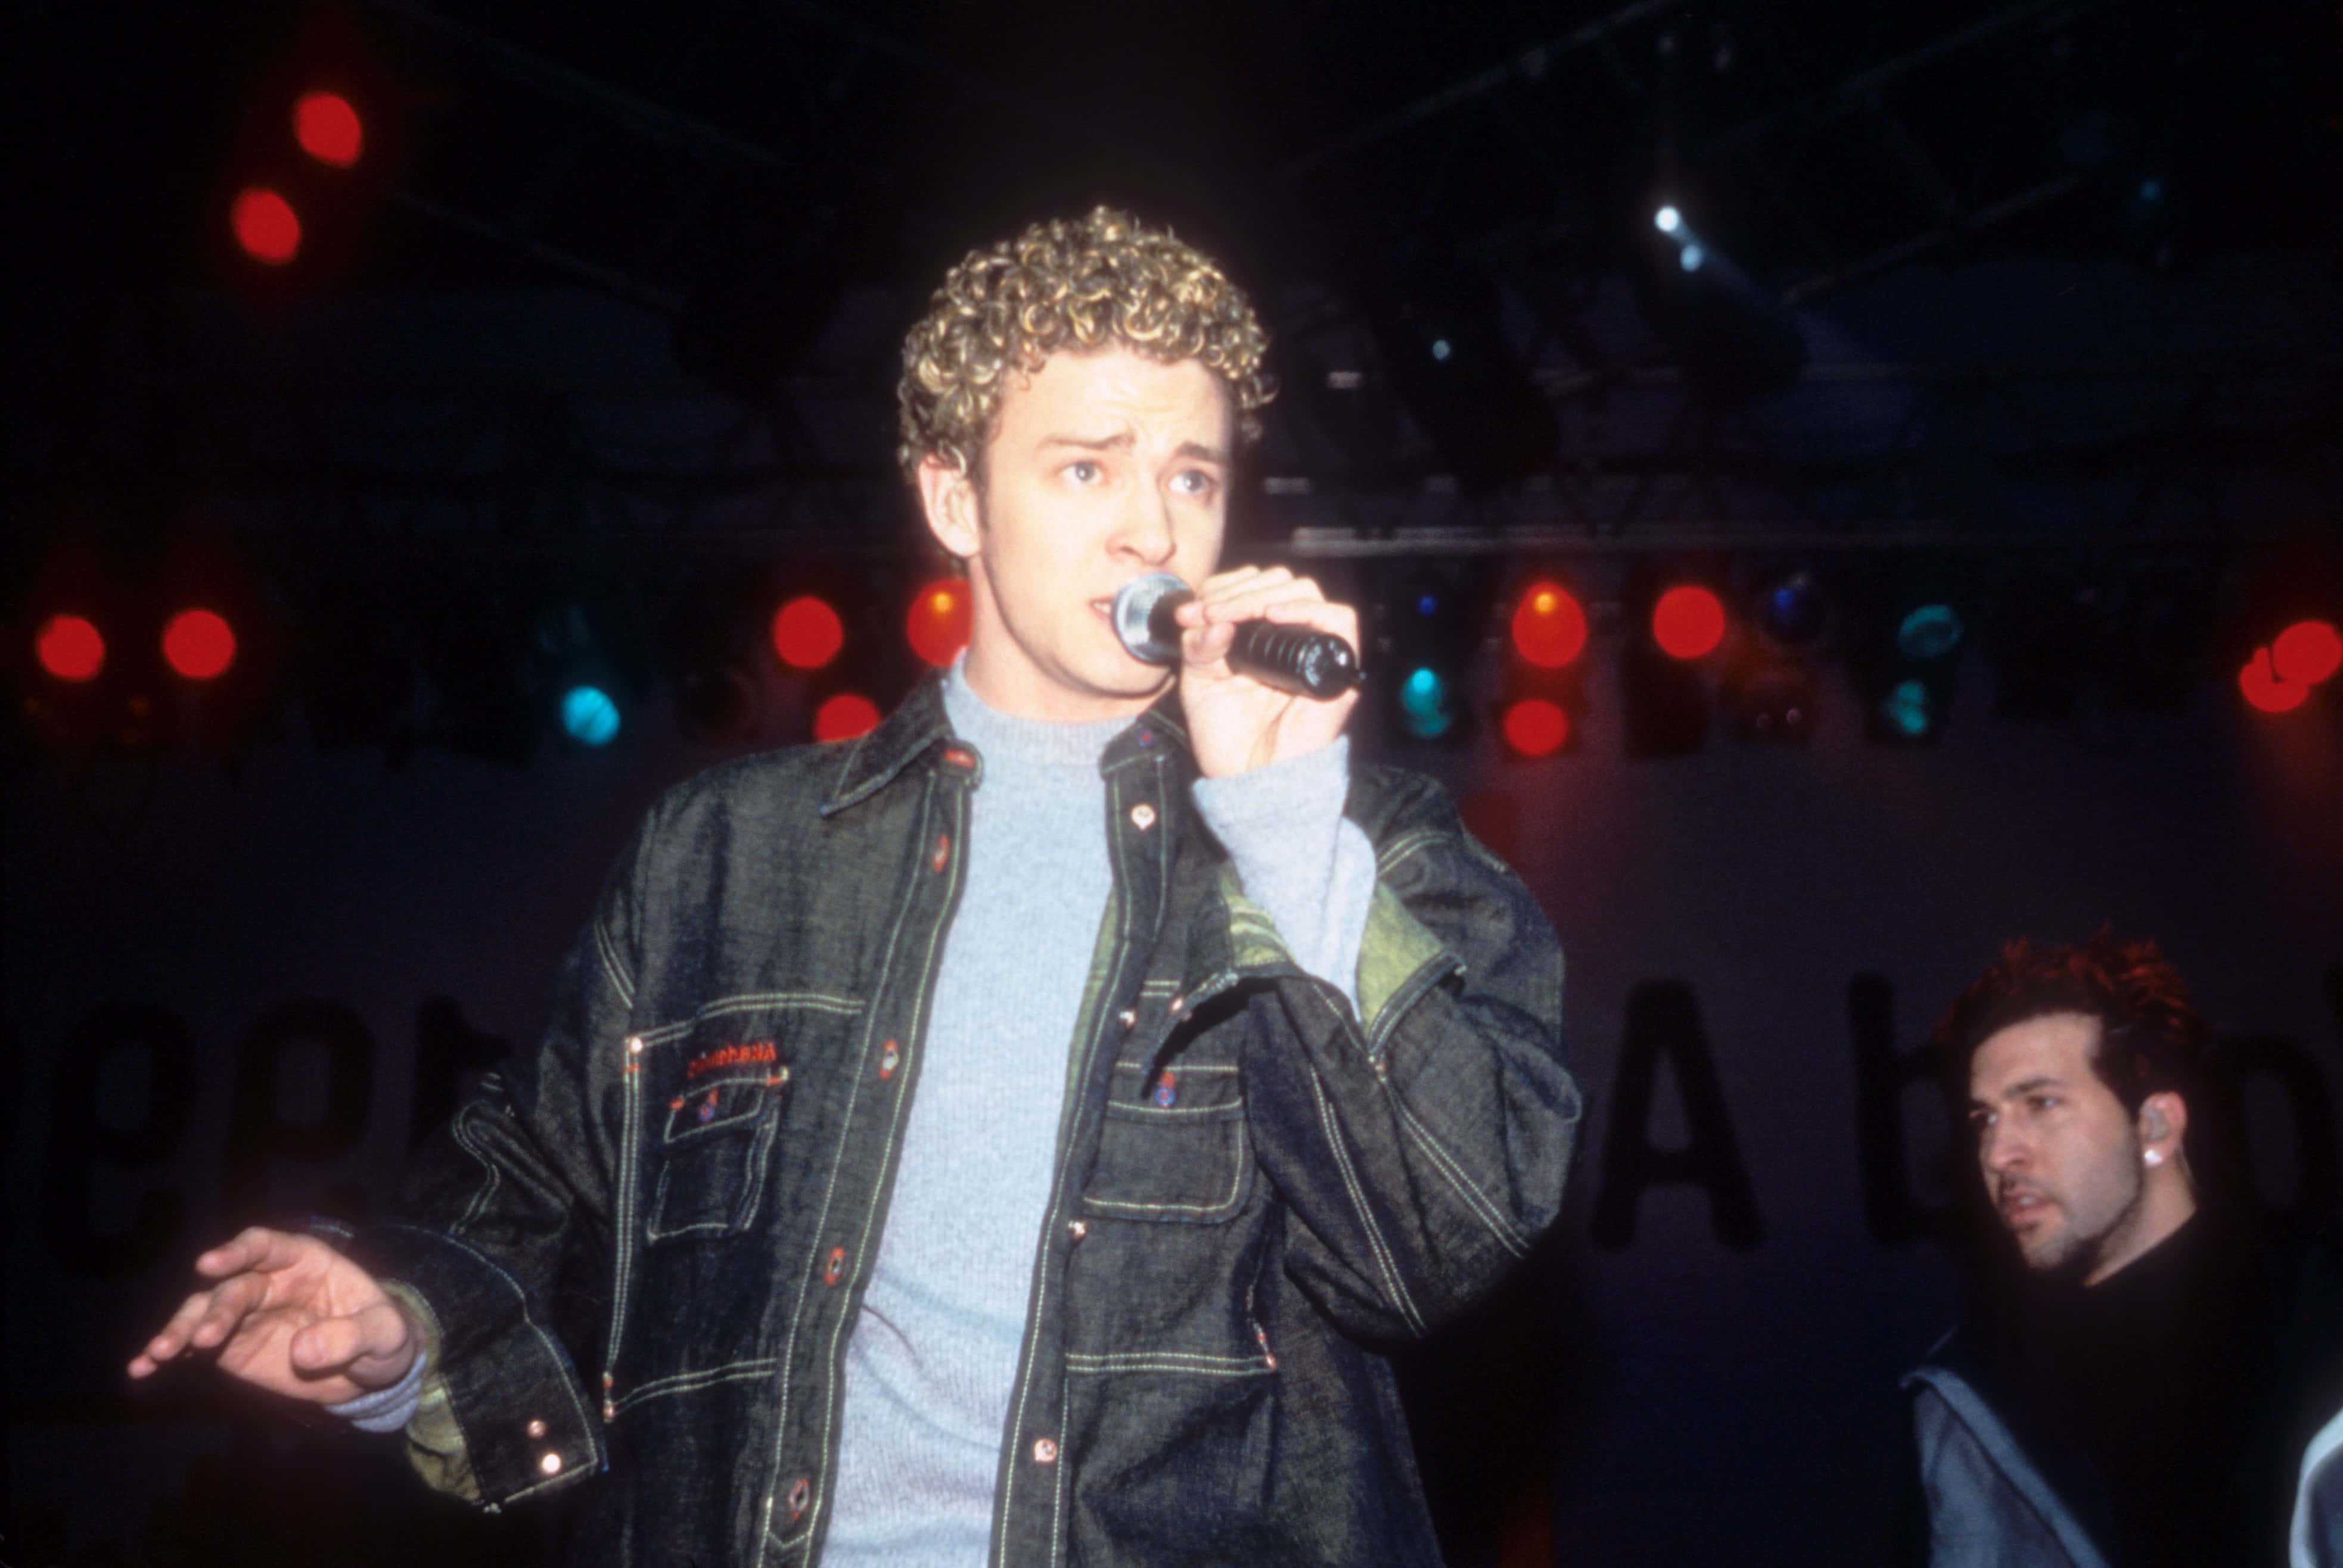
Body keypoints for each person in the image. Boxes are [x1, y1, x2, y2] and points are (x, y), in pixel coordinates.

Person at [128, 206, 1581, 1567]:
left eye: (1189, 476)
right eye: (1086, 467)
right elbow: (543, 1192)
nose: (1153, 528)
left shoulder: (1353, 839)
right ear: (954, 494)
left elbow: (1435, 1245)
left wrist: (1275, 825)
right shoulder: (730, 852)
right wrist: (397, 1335)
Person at [1904, 934, 2343, 1567]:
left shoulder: (2319, 1329)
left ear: (2155, 1127)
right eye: (1984, 1120)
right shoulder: (1967, 1393)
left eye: (2040, 1102)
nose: (1998, 1154)